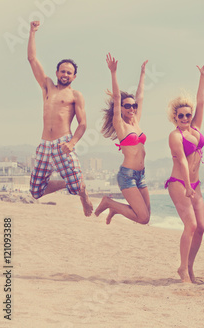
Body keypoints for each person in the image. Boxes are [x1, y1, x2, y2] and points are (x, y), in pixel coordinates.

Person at [27, 21, 93, 216]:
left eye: (69, 72)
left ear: (74, 77)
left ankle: (81, 193)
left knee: (76, 189)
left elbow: (83, 124)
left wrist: (72, 143)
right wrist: (32, 32)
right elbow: (32, 58)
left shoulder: (76, 95)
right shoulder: (47, 86)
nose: (65, 74)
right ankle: (73, 181)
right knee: (35, 191)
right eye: (62, 71)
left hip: (64, 142)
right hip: (45, 144)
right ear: (57, 73)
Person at [94, 53, 150, 226]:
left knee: (146, 216)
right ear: (121, 109)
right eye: (128, 106)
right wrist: (113, 72)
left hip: (141, 175)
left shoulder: (136, 121)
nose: (132, 108)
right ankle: (109, 203)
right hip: (127, 176)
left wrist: (142, 74)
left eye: (133, 106)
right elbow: (117, 97)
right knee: (143, 218)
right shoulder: (120, 125)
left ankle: (115, 208)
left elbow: (140, 96)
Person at [165, 64, 204, 283]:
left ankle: (190, 267)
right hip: (179, 184)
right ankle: (182, 269)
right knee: (190, 225)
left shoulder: (195, 128)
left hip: (196, 184)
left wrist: (202, 77)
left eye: (188, 115)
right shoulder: (175, 136)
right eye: (181, 115)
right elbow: (182, 160)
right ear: (175, 117)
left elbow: (201, 102)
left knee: (201, 227)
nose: (185, 118)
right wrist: (188, 185)